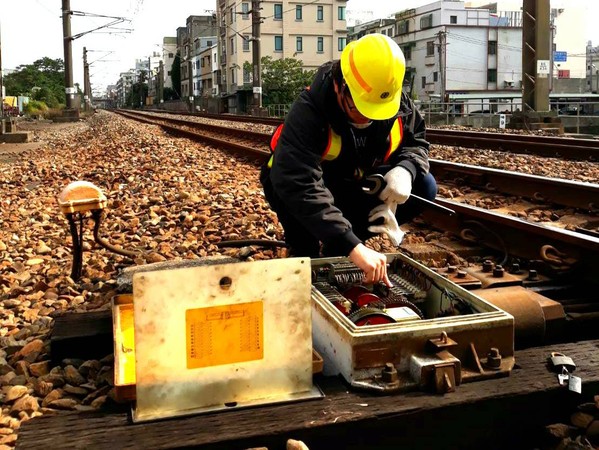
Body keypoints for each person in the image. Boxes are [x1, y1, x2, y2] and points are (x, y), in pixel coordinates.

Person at [260, 34, 436, 286]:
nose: (367, 118)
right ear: (340, 85)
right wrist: (350, 244)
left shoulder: (391, 99)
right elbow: (296, 180)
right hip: (307, 189)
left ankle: (342, 246)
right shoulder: (310, 110)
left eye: (375, 111)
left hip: (355, 184)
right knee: (305, 254)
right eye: (360, 108)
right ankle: (313, 245)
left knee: (425, 185)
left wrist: (406, 170)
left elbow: (417, 141)